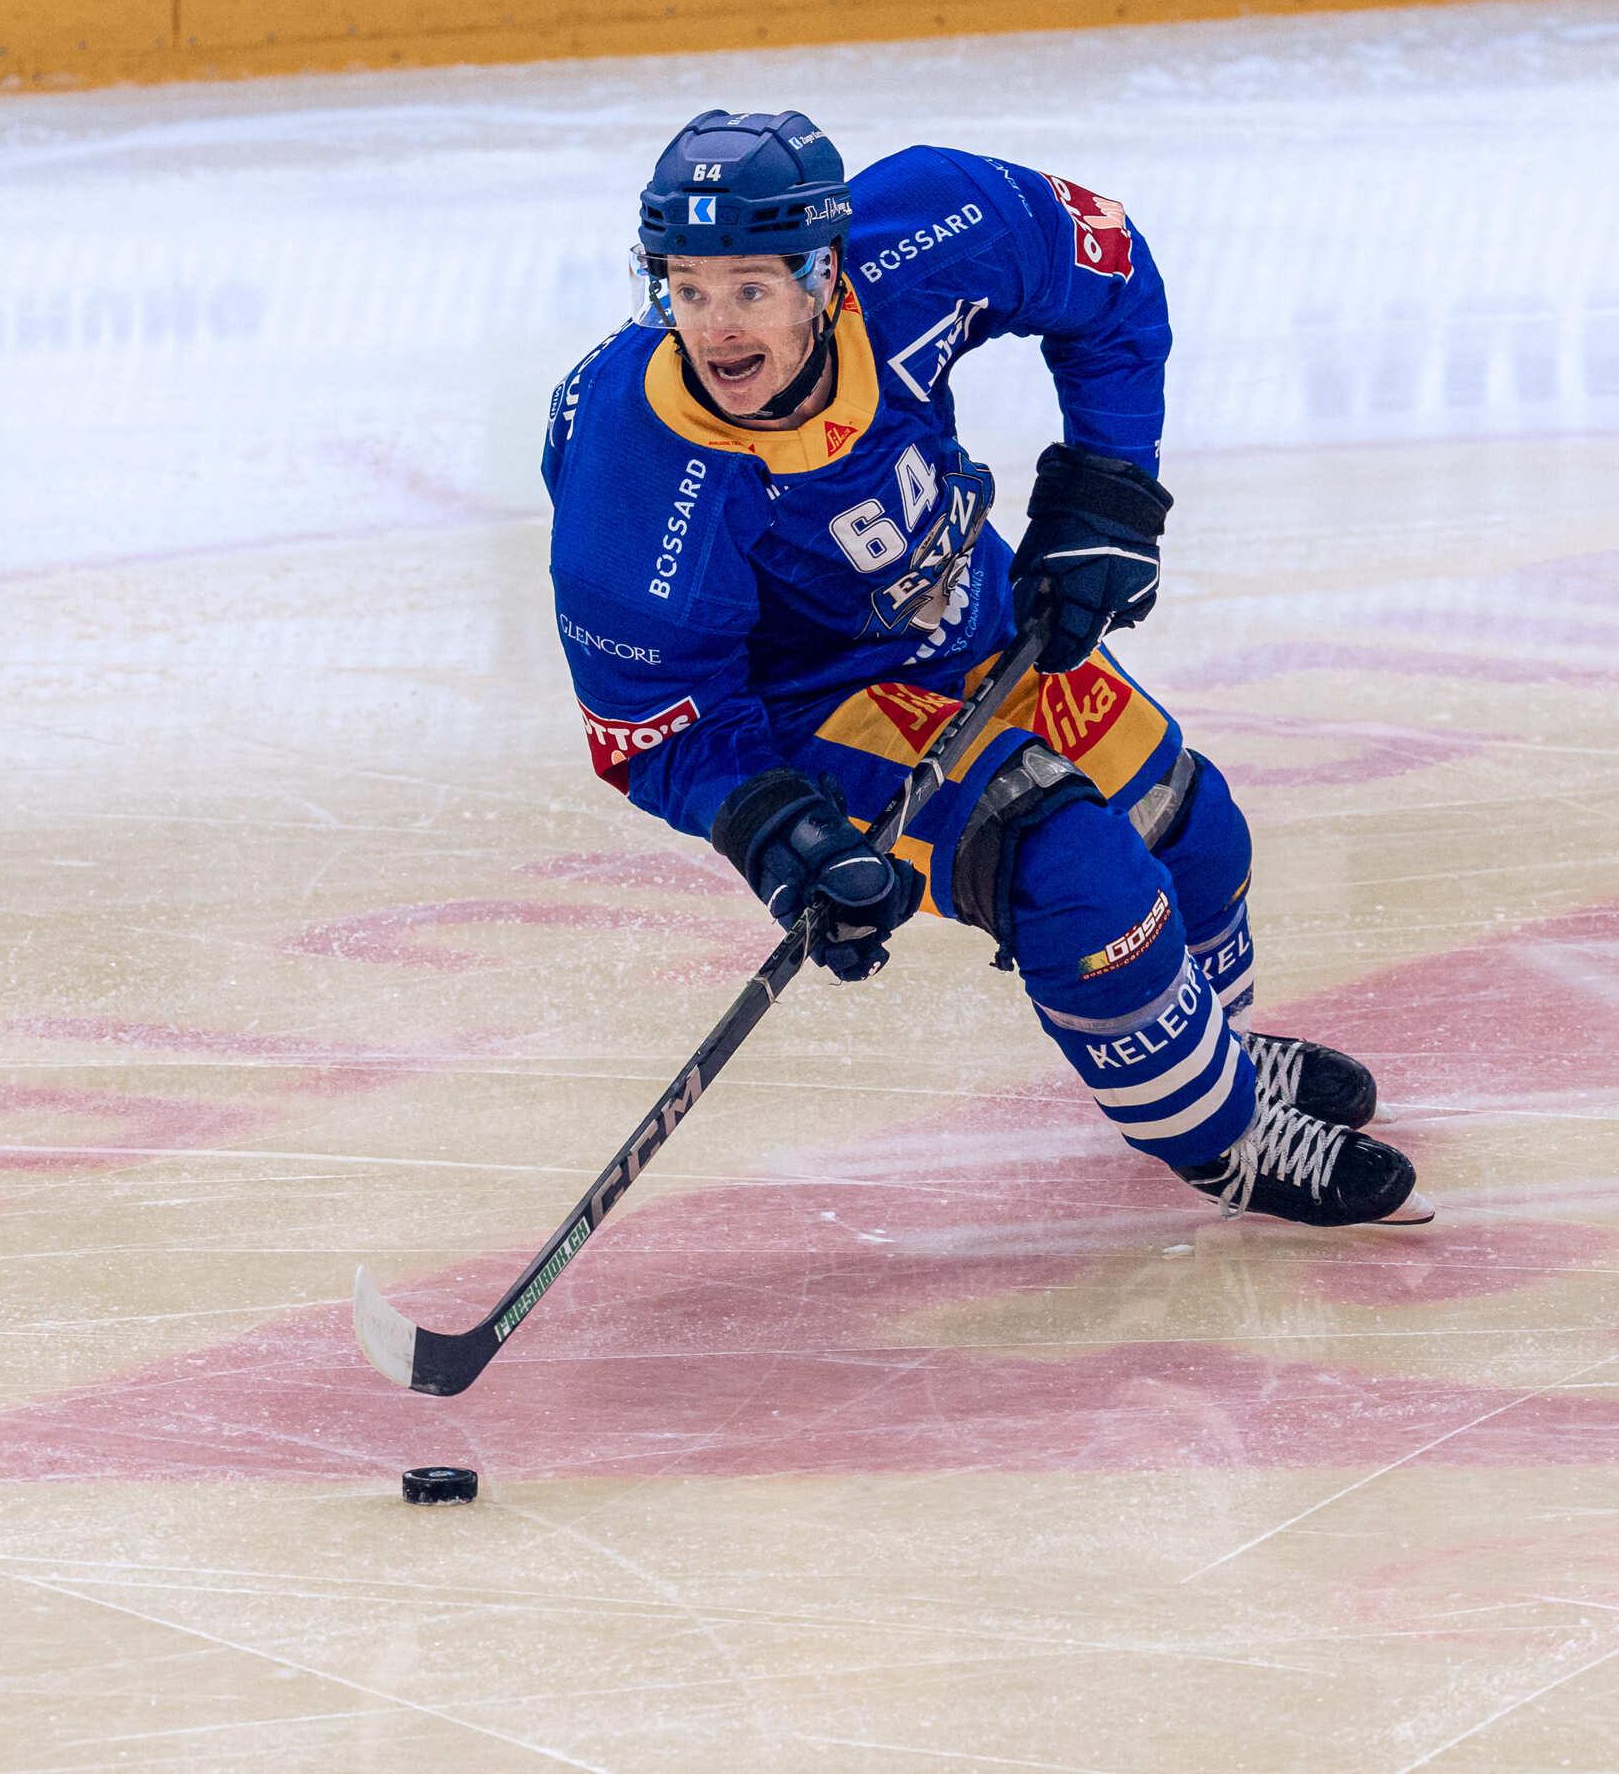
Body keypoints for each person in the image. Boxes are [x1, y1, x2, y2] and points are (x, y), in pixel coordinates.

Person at [542, 110, 1430, 1227]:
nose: (715, 330)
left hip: (966, 607)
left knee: (1192, 831)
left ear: (824, 275)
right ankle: (1228, 1140)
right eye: (688, 289)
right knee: (1075, 874)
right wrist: (783, 835)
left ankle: (1213, 1057)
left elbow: (1105, 267)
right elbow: (661, 731)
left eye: (751, 290)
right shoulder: (631, 483)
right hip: (819, 699)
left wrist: (1108, 490)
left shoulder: (935, 225)